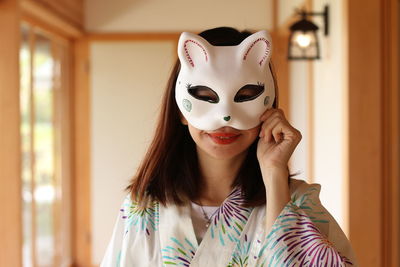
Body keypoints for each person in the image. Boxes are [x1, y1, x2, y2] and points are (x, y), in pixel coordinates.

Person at [100, 27, 358, 266]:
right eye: (204, 97)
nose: (225, 118)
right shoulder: (145, 206)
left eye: (245, 97)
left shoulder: (298, 201)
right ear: (180, 110)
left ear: (269, 109)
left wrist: (274, 174)